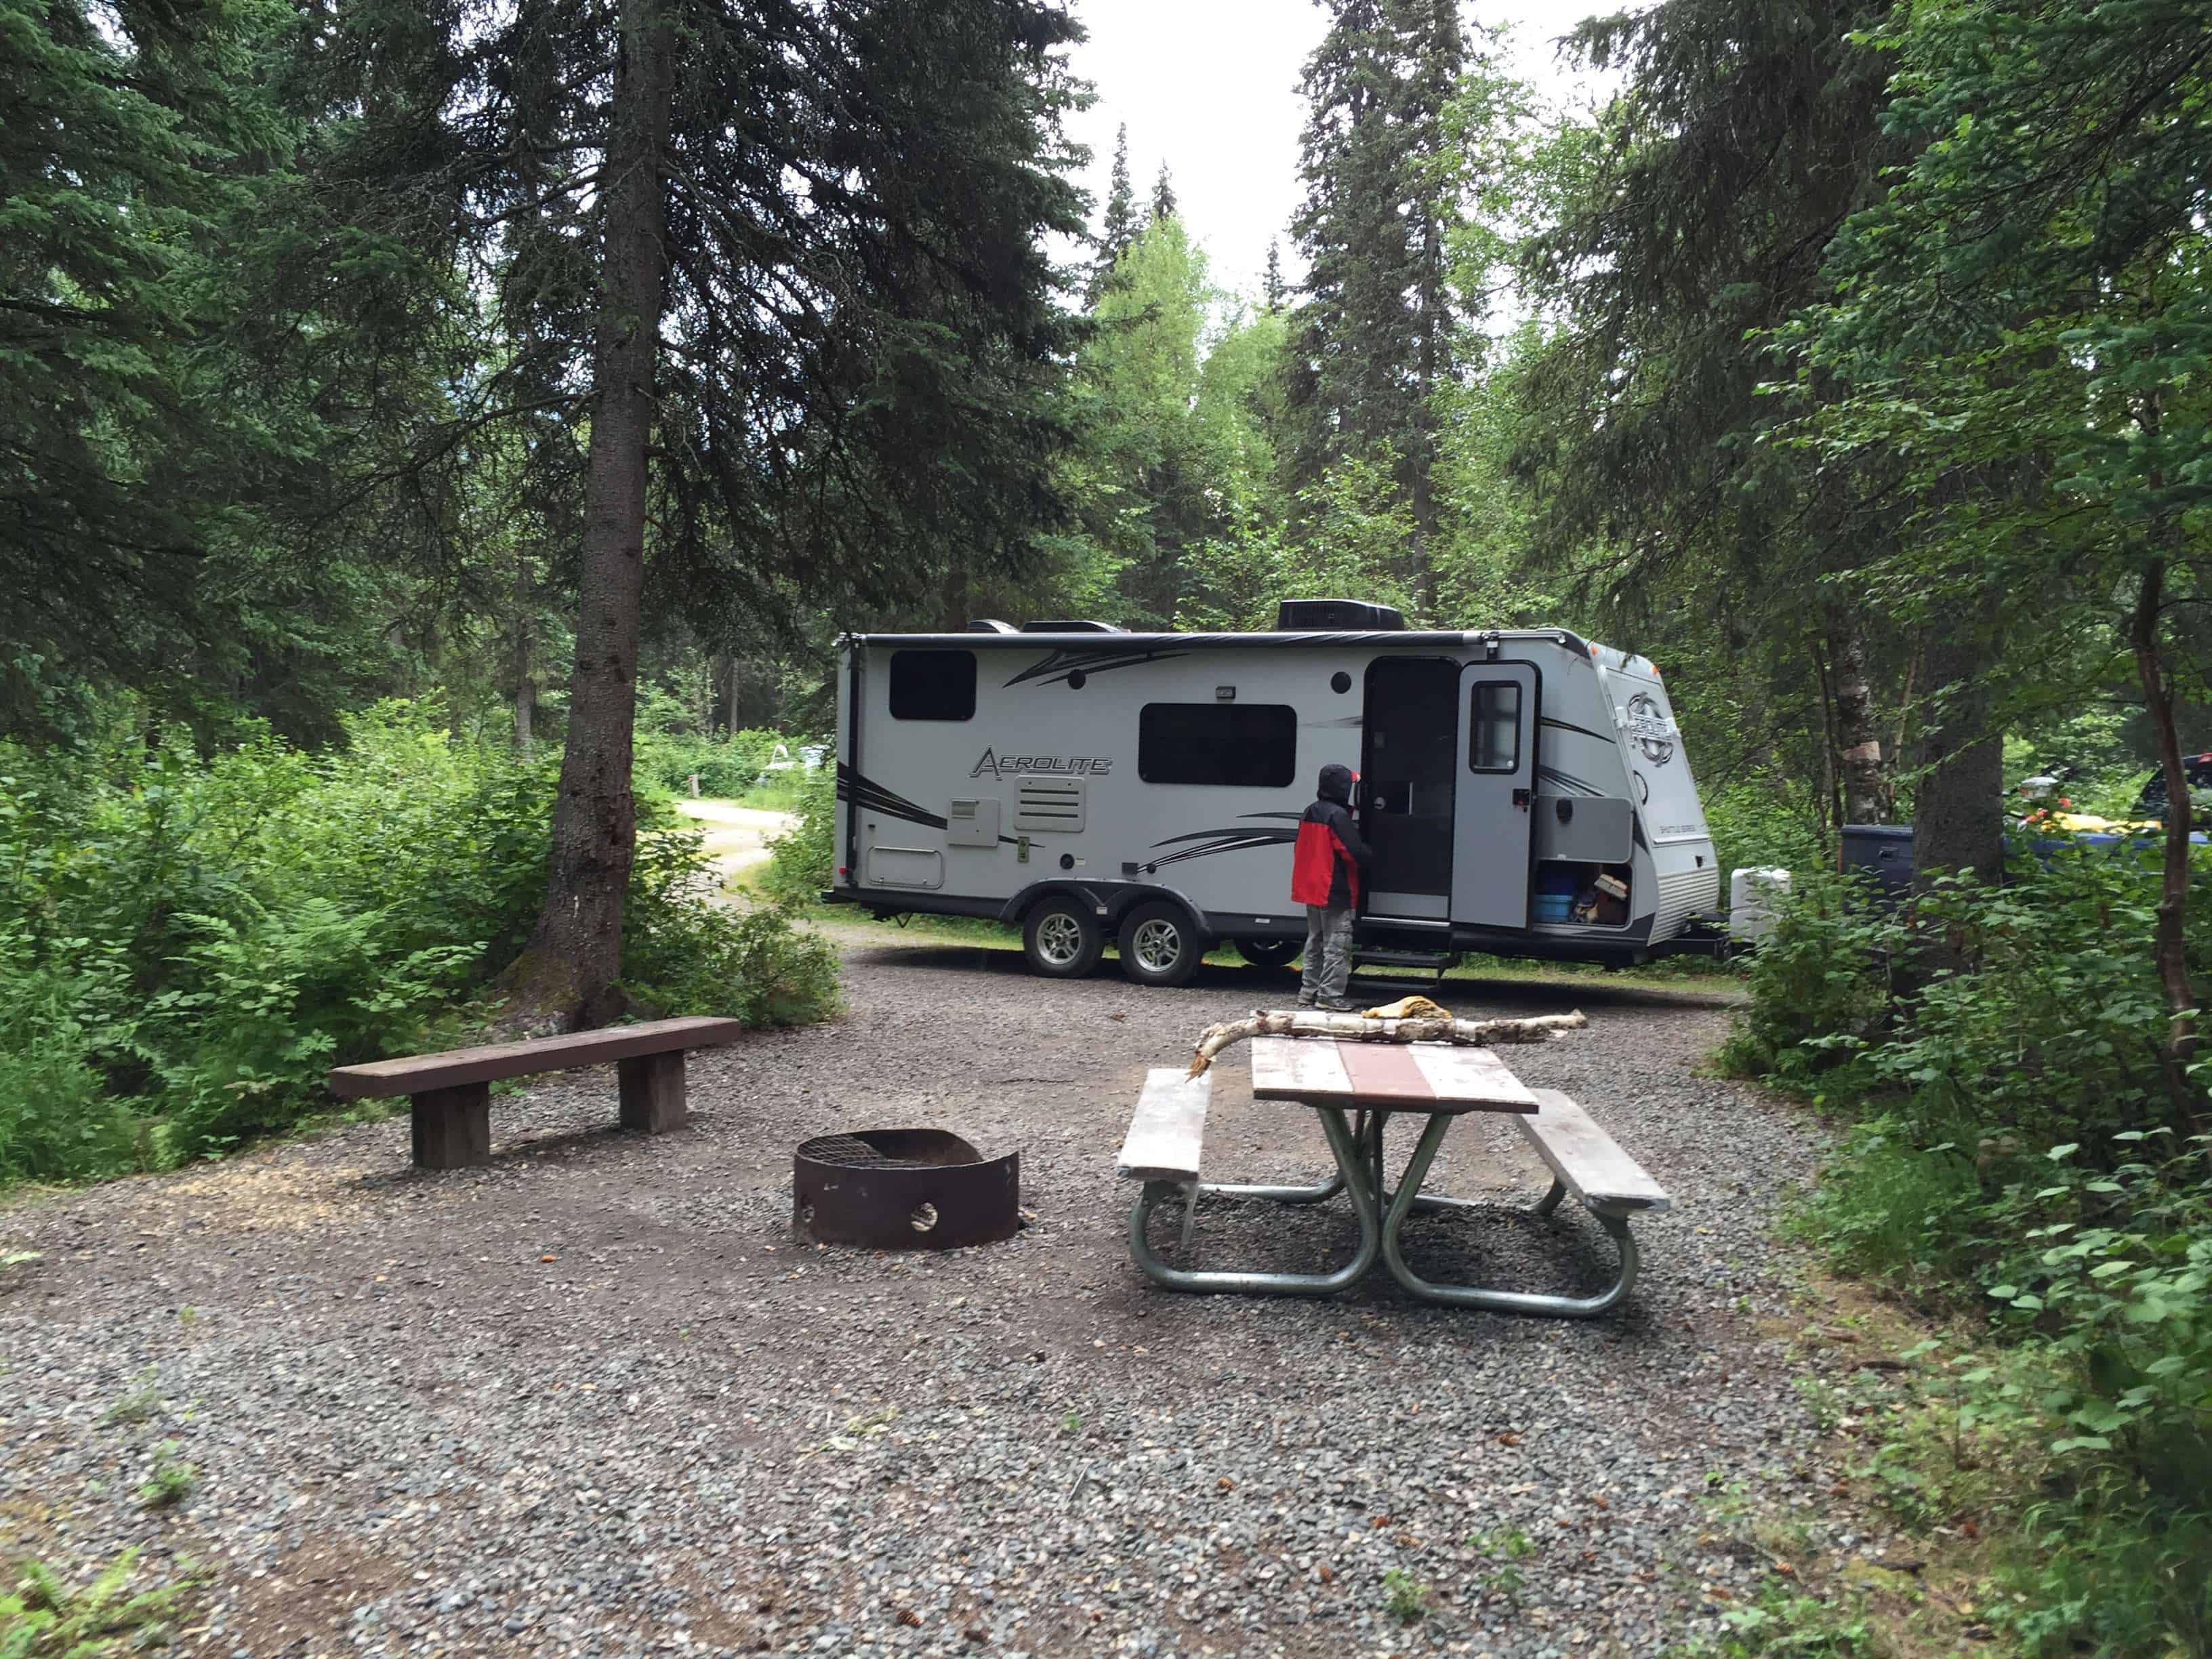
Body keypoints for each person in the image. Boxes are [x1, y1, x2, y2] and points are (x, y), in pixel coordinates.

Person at [1290, 762, 1370, 1010]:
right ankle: (1329, 996)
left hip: (1311, 888)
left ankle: (1308, 992)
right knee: (1337, 944)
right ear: (1342, 788)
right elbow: (1352, 852)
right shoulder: (1337, 816)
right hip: (1333, 889)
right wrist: (1372, 857)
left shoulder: (1310, 811)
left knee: (1315, 941)